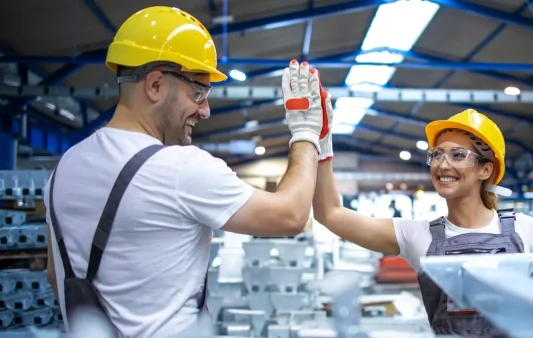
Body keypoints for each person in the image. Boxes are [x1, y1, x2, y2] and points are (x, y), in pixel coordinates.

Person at [44, 6, 328, 337]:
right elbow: (291, 215)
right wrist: (306, 133)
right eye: (198, 92)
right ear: (154, 85)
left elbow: (56, 275)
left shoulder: (62, 172)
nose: (205, 110)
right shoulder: (179, 169)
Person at [312, 104, 533, 336]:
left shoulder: (524, 229)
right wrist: (321, 145)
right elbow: (329, 214)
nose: (442, 164)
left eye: (458, 155)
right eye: (437, 154)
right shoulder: (418, 236)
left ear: (485, 170)